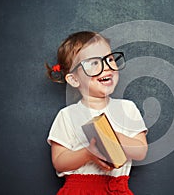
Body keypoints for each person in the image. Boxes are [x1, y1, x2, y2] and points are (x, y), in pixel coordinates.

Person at [46, 31, 148, 195]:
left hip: (116, 189)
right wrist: (88, 153)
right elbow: (59, 162)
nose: (106, 66)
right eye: (93, 63)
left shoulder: (128, 109)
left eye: (109, 59)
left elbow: (141, 151)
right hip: (79, 190)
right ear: (74, 79)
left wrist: (115, 138)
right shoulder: (67, 115)